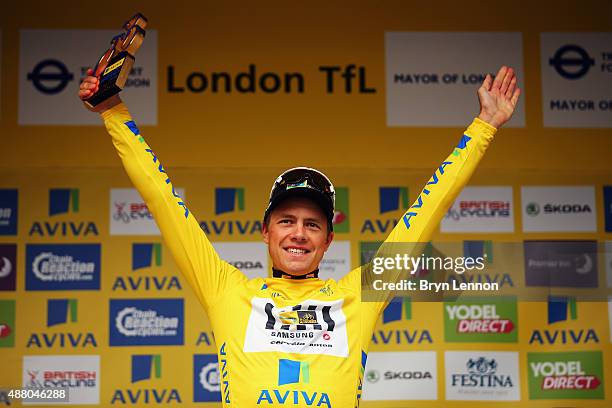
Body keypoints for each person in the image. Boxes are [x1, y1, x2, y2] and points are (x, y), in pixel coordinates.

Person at [79, 65, 520, 407]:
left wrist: (484, 126)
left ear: (328, 240)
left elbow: (426, 213)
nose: (298, 234)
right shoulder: (225, 289)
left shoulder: (359, 293)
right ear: (265, 230)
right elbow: (162, 200)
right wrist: (113, 112)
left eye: (313, 224)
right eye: (287, 220)